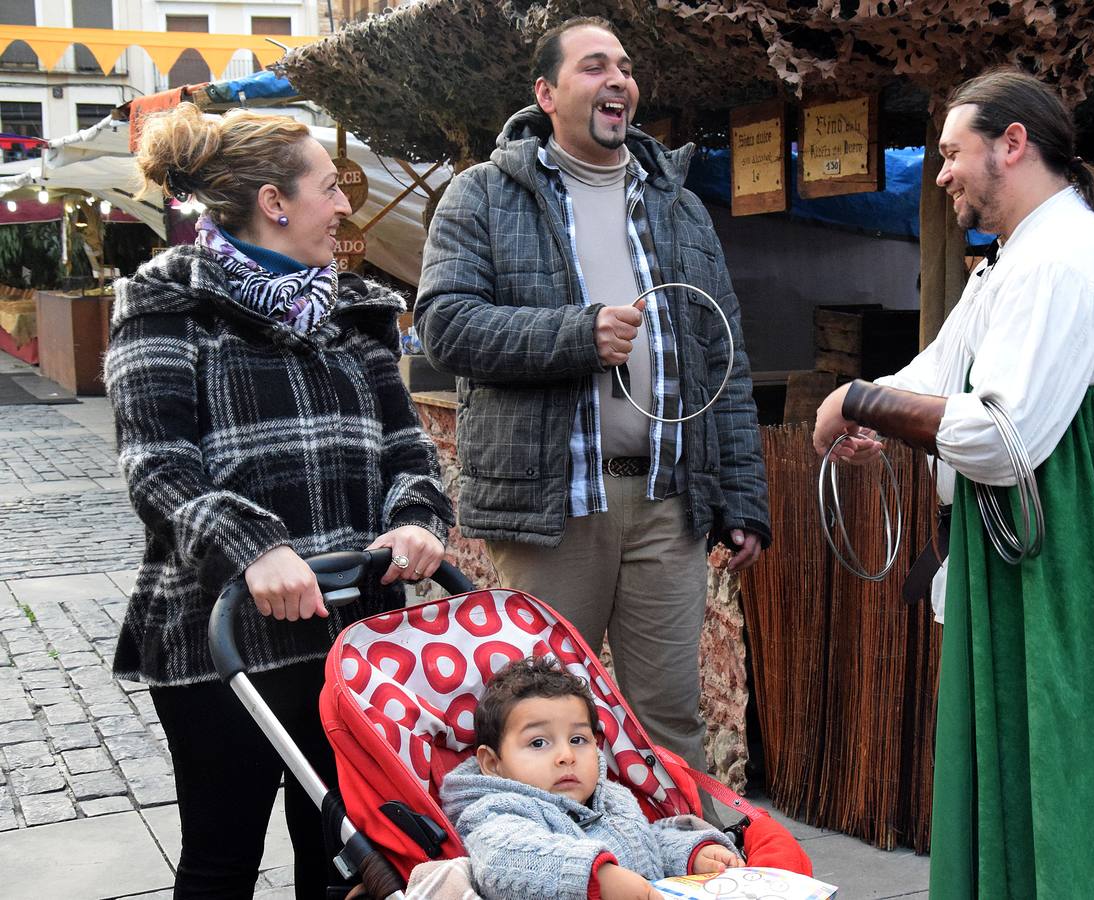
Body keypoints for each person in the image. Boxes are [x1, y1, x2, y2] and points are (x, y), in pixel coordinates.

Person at [813, 69, 1094, 897]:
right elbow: (943, 371)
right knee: (1036, 765)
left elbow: (1004, 437)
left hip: (1079, 574)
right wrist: (881, 412)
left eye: (951, 153)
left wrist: (860, 399)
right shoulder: (1016, 261)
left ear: (1012, 145)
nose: (940, 174)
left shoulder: (1063, 261)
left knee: (1079, 765)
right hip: (1035, 569)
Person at [105, 103, 454, 899]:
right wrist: (255, 549)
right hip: (219, 636)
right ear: (274, 200)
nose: (343, 207)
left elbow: (407, 448)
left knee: (341, 860)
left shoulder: (357, 314)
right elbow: (157, 465)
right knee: (222, 856)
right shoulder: (164, 304)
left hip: (352, 636)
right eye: (329, 189)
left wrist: (413, 518)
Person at [414, 16, 770, 783]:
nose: (618, 80)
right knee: (544, 720)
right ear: (546, 93)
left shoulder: (677, 205)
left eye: (626, 68)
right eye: (594, 66)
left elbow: (724, 362)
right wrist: (576, 337)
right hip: (553, 507)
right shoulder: (481, 195)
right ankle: (557, 873)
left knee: (668, 716)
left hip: (664, 501)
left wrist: (741, 493)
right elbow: (445, 325)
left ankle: (685, 869)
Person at [439, 657, 742, 899]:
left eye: (578, 740)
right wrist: (598, 877)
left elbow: (644, 844)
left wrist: (693, 855)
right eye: (538, 743)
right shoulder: (497, 812)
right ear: (493, 764)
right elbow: (503, 861)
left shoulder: (611, 797)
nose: (566, 756)